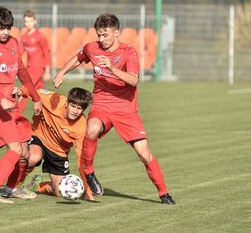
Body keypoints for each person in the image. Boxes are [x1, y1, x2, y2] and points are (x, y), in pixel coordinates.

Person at [53, 13, 176, 205]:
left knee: (144, 153)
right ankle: (89, 172)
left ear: (116, 33)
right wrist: (61, 72)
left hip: (125, 109)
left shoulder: (129, 52)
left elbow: (134, 80)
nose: (101, 40)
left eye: (105, 35)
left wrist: (112, 68)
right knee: (91, 128)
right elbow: (78, 58)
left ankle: (163, 192)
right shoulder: (92, 48)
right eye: (99, 35)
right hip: (102, 104)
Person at [0, 6, 42, 204]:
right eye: (1, 28)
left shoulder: (14, 42)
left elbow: (22, 71)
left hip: (12, 105)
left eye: (8, 27)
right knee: (15, 149)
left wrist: (36, 97)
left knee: (24, 152)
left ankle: (10, 188)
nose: (5, 32)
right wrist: (0, 97)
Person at [13, 86, 94, 200]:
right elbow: (35, 92)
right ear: (67, 103)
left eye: (79, 108)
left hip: (58, 152)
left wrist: (87, 190)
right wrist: (21, 90)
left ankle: (37, 185)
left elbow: (82, 159)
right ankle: (15, 186)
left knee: (60, 192)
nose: (75, 111)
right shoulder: (54, 100)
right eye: (73, 106)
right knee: (32, 158)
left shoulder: (81, 127)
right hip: (39, 137)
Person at [17, 10, 51, 114]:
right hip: (30, 67)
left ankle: (16, 115)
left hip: (38, 68)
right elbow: (20, 53)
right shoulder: (23, 37)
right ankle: (45, 117)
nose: (28, 23)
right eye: (26, 21)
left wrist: (47, 71)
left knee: (24, 89)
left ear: (35, 21)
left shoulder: (40, 36)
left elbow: (46, 53)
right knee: (39, 93)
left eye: (31, 21)